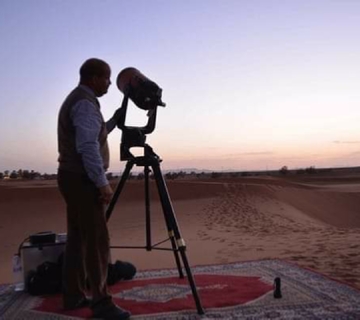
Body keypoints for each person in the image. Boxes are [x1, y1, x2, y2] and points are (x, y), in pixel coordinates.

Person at [57, 58, 130, 320]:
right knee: (98, 240)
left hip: (71, 177)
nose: (110, 84)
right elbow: (87, 147)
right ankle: (102, 303)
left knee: (78, 239)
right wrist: (102, 184)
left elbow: (91, 135)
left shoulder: (79, 101)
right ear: (94, 78)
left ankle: (74, 295)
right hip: (83, 180)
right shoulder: (86, 104)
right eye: (107, 78)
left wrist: (111, 122)